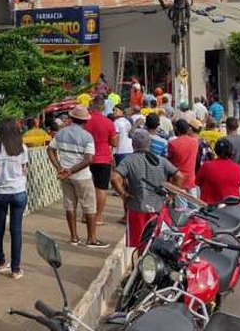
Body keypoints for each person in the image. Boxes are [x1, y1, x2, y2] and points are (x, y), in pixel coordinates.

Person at [47, 106, 109, 248]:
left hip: (65, 175)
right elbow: (88, 159)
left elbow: (50, 150)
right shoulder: (87, 136)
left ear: (71, 118)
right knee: (89, 206)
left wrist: (59, 167)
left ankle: (74, 237)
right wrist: (71, 170)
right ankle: (91, 239)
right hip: (81, 175)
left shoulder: (61, 133)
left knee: (70, 205)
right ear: (84, 121)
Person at [112, 130, 184, 249]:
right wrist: (171, 196)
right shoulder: (161, 160)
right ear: (149, 143)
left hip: (137, 207)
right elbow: (179, 177)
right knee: (157, 243)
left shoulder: (129, 160)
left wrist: (123, 194)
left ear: (133, 144)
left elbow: (115, 178)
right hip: (158, 208)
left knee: (139, 245)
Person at [0, 118, 29, 279]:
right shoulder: (22, 148)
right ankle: (15, 269)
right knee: (16, 230)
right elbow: (24, 169)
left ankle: (0, 262)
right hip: (18, 191)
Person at [84, 97, 119, 227]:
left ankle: (86, 215)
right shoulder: (108, 122)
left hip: (86, 158)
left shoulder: (85, 121)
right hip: (103, 158)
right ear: (103, 107)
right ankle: (98, 217)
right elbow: (114, 142)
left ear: (91, 106)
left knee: (87, 188)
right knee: (101, 189)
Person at [198, 138, 240, 205]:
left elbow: (198, 182)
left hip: (210, 207)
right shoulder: (238, 168)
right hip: (233, 206)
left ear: (216, 150)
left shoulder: (207, 166)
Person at [168, 119, 200, 200]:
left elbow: (170, 161)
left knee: (180, 209)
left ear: (176, 129)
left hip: (177, 181)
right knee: (194, 207)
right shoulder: (195, 142)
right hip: (191, 179)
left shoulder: (173, 144)